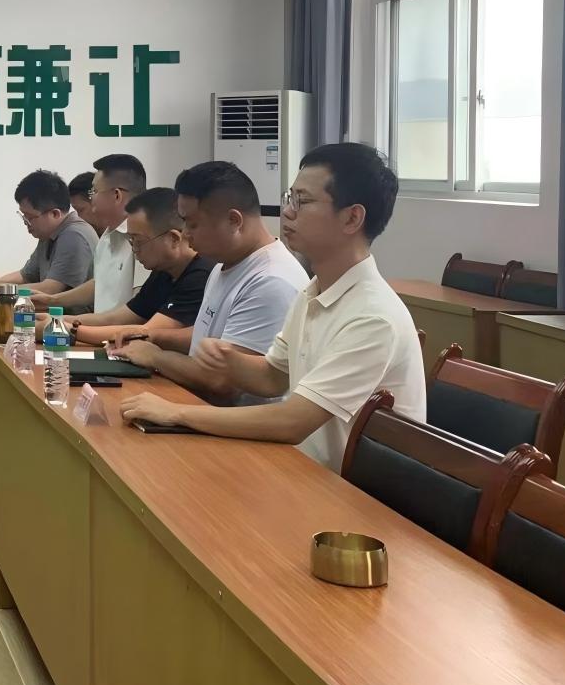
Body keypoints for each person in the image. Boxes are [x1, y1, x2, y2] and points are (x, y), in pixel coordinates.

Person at [122, 144, 426, 470]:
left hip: (345, 491)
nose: (288, 212)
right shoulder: (314, 292)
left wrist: (176, 412)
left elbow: (293, 422)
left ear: (352, 218)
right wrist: (230, 360)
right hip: (299, 467)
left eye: (302, 201)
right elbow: (272, 377)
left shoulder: (373, 316)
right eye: (289, 197)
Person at [108, 161, 306, 397]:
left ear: (234, 221)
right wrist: (154, 336)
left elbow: (224, 381)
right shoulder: (223, 264)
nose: (186, 234)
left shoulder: (271, 281)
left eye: (192, 224)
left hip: (232, 418)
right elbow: (210, 335)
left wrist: (156, 357)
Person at [61, 187, 215, 348]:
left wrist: (69, 330)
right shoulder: (164, 272)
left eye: (139, 241)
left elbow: (145, 333)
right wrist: (57, 320)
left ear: (174, 239)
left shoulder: (201, 275)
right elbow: (116, 319)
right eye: (131, 241)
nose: (134, 250)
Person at [33, 154, 146, 313]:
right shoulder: (106, 237)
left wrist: (70, 322)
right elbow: (99, 284)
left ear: (117, 195)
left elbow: (137, 312)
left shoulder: (145, 238)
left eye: (94, 191)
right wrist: (52, 300)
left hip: (118, 328)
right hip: (98, 327)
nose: (91, 198)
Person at [0, 169, 97, 295]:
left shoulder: (74, 235)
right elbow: (26, 275)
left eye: (30, 217)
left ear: (55, 214)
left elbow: (50, 289)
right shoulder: (48, 235)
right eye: (23, 216)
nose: (26, 223)